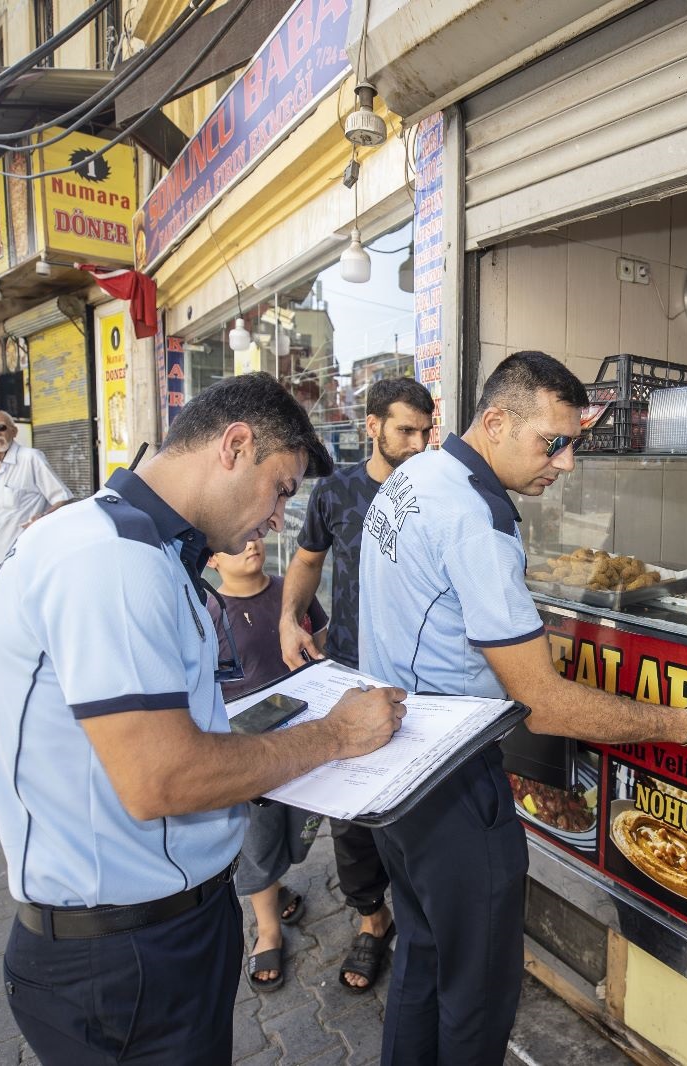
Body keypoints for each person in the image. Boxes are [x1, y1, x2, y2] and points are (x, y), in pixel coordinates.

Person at [358, 351, 687, 1065]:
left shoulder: (415, 476)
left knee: (424, 956)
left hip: (396, 770)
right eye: (551, 443)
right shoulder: (475, 518)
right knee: (476, 996)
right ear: (496, 423)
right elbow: (543, 704)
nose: (564, 463)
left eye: (572, 445)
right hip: (452, 786)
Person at [0, 372, 407, 1064]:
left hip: (149, 933)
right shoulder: (112, 559)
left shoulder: (133, 547)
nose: (278, 519)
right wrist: (335, 735)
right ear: (234, 446)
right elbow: (163, 777)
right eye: (281, 490)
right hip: (126, 956)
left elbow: (169, 735)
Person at [279, 377, 434, 992]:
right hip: (350, 670)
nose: (419, 443)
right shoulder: (337, 490)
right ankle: (373, 919)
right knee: (351, 815)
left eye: (426, 431)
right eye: (406, 431)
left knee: (417, 804)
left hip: (421, 678)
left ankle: (422, 917)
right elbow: (307, 559)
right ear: (373, 427)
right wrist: (290, 618)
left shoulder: (437, 490)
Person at [206, 536, 329, 993]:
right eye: (236, 542)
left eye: (255, 534)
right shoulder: (210, 613)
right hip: (250, 753)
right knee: (257, 841)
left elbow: (321, 642)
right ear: (212, 558)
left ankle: (276, 889)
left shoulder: (290, 590)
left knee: (299, 832)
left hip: (306, 739)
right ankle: (268, 929)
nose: (252, 543)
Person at [0, 410, 72, 577]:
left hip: (27, 556)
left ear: (13, 431)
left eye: (1, 427)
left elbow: (63, 498)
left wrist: (43, 516)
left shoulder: (31, 458)